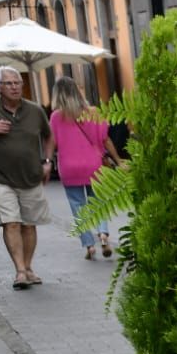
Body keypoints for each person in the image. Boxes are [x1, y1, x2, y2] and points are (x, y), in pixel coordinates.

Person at [0, 65, 52, 290]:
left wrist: (47, 162)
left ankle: (29, 266)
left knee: (29, 225)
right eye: (9, 83)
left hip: (31, 177)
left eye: (17, 83)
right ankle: (20, 271)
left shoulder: (35, 110)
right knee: (11, 223)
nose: (15, 87)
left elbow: (49, 136)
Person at [48, 75, 121, 261]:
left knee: (77, 206)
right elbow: (106, 139)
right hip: (94, 165)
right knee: (99, 201)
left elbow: (52, 143)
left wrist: (47, 162)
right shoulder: (94, 112)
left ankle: (89, 245)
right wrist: (118, 160)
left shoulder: (56, 117)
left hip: (69, 167)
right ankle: (103, 234)